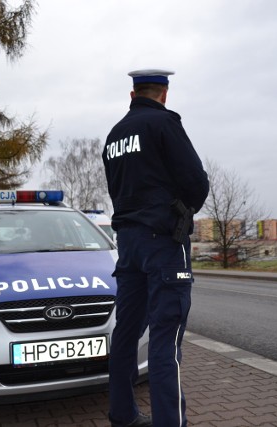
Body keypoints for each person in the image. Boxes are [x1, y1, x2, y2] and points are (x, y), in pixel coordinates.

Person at [102, 69, 209, 427]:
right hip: (162, 244)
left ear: (133, 94)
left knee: (126, 333)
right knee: (166, 342)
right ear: (164, 93)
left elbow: (118, 190)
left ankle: (123, 414)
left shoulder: (114, 135)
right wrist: (181, 209)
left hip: (127, 245)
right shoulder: (164, 124)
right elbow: (196, 181)